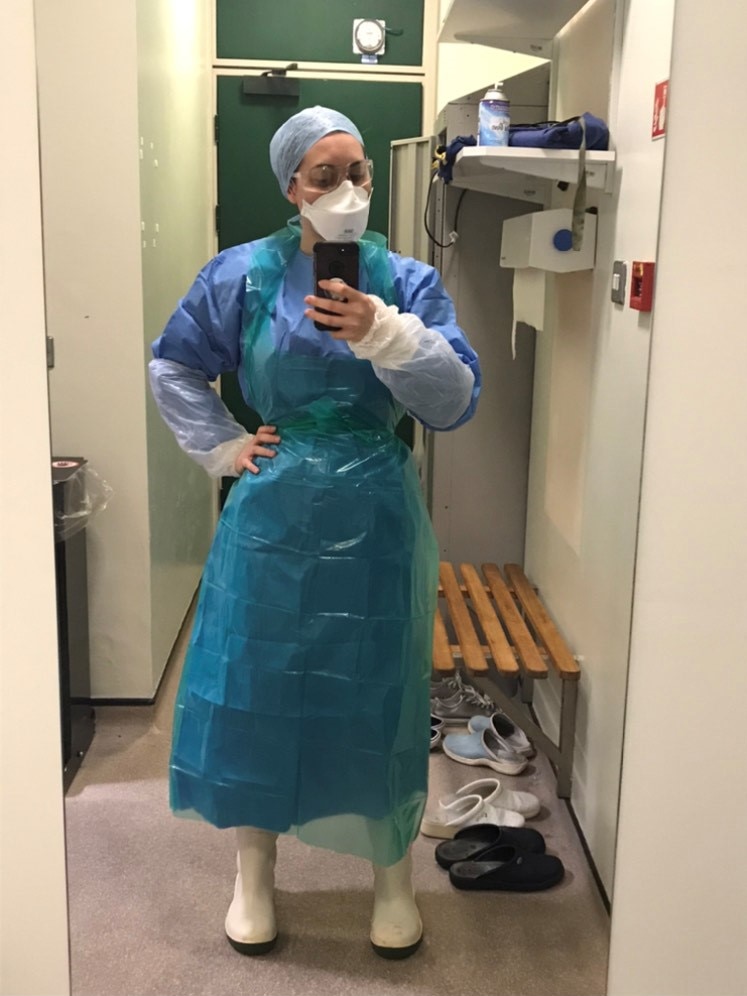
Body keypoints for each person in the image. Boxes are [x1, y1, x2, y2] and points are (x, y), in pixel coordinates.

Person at [149, 106, 481, 959]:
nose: (346, 190)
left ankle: (392, 878)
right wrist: (224, 443)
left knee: (375, 689)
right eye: (325, 176)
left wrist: (388, 337)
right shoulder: (243, 277)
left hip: (375, 510)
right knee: (257, 684)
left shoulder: (405, 284)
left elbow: (452, 405)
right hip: (271, 504)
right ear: (291, 187)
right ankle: (252, 873)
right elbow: (174, 361)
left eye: (358, 172)